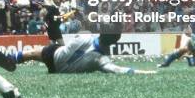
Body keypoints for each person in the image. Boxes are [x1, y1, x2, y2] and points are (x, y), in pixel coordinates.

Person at [11, 33, 156, 75]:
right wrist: (145, 72)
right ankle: (10, 58)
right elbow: (119, 70)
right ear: (113, 44)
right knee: (39, 52)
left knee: (32, 53)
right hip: (59, 70)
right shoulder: (102, 60)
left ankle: (8, 58)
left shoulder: (84, 37)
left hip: (54, 56)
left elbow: (69, 46)